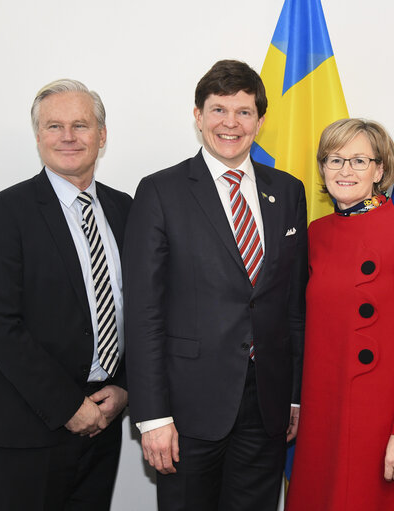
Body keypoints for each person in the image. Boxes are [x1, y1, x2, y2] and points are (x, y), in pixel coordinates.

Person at [123, 59, 307, 511]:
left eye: (243, 112)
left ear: (260, 122)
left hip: (266, 406)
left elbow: (293, 304)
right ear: (198, 116)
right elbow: (144, 312)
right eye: (219, 110)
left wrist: (295, 398)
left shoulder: (288, 191)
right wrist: (152, 416)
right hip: (187, 408)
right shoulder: (160, 191)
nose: (231, 123)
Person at [0, 79, 131, 510]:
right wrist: (67, 407)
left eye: (80, 124)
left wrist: (124, 388)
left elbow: (142, 311)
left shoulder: (126, 209)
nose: (68, 136)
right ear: (39, 136)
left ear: (102, 135)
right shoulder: (3, 213)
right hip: (28, 425)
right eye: (54, 126)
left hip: (104, 419)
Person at [286, 119, 394, 511]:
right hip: (321, 414)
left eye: (358, 160)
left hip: (381, 420)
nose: (345, 171)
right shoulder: (314, 235)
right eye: (334, 160)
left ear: (380, 169)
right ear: (322, 168)